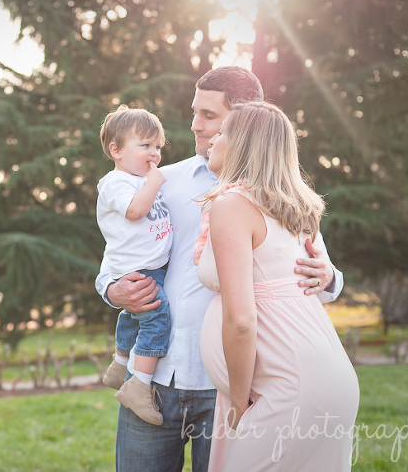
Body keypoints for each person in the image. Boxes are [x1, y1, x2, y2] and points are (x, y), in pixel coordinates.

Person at [95, 66, 344, 472]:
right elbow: (119, 250)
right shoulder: (160, 182)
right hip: (155, 377)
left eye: (209, 116)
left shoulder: (277, 194)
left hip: (232, 386)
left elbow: (320, 276)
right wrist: (110, 289)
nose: (194, 125)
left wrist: (328, 276)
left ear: (244, 117)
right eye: (194, 112)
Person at [197, 101, 359, 470]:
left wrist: (238, 401)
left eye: (221, 132)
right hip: (324, 375)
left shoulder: (233, 204)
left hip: (291, 388)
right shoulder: (296, 207)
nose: (212, 139)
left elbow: (241, 320)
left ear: (241, 143)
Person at [96, 105, 173, 426]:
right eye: (145, 146)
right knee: (157, 320)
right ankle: (139, 385)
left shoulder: (139, 179)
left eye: (157, 147)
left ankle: (119, 365)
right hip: (137, 270)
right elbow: (135, 211)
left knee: (132, 318)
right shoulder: (117, 182)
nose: (154, 154)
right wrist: (154, 181)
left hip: (145, 266)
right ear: (116, 151)